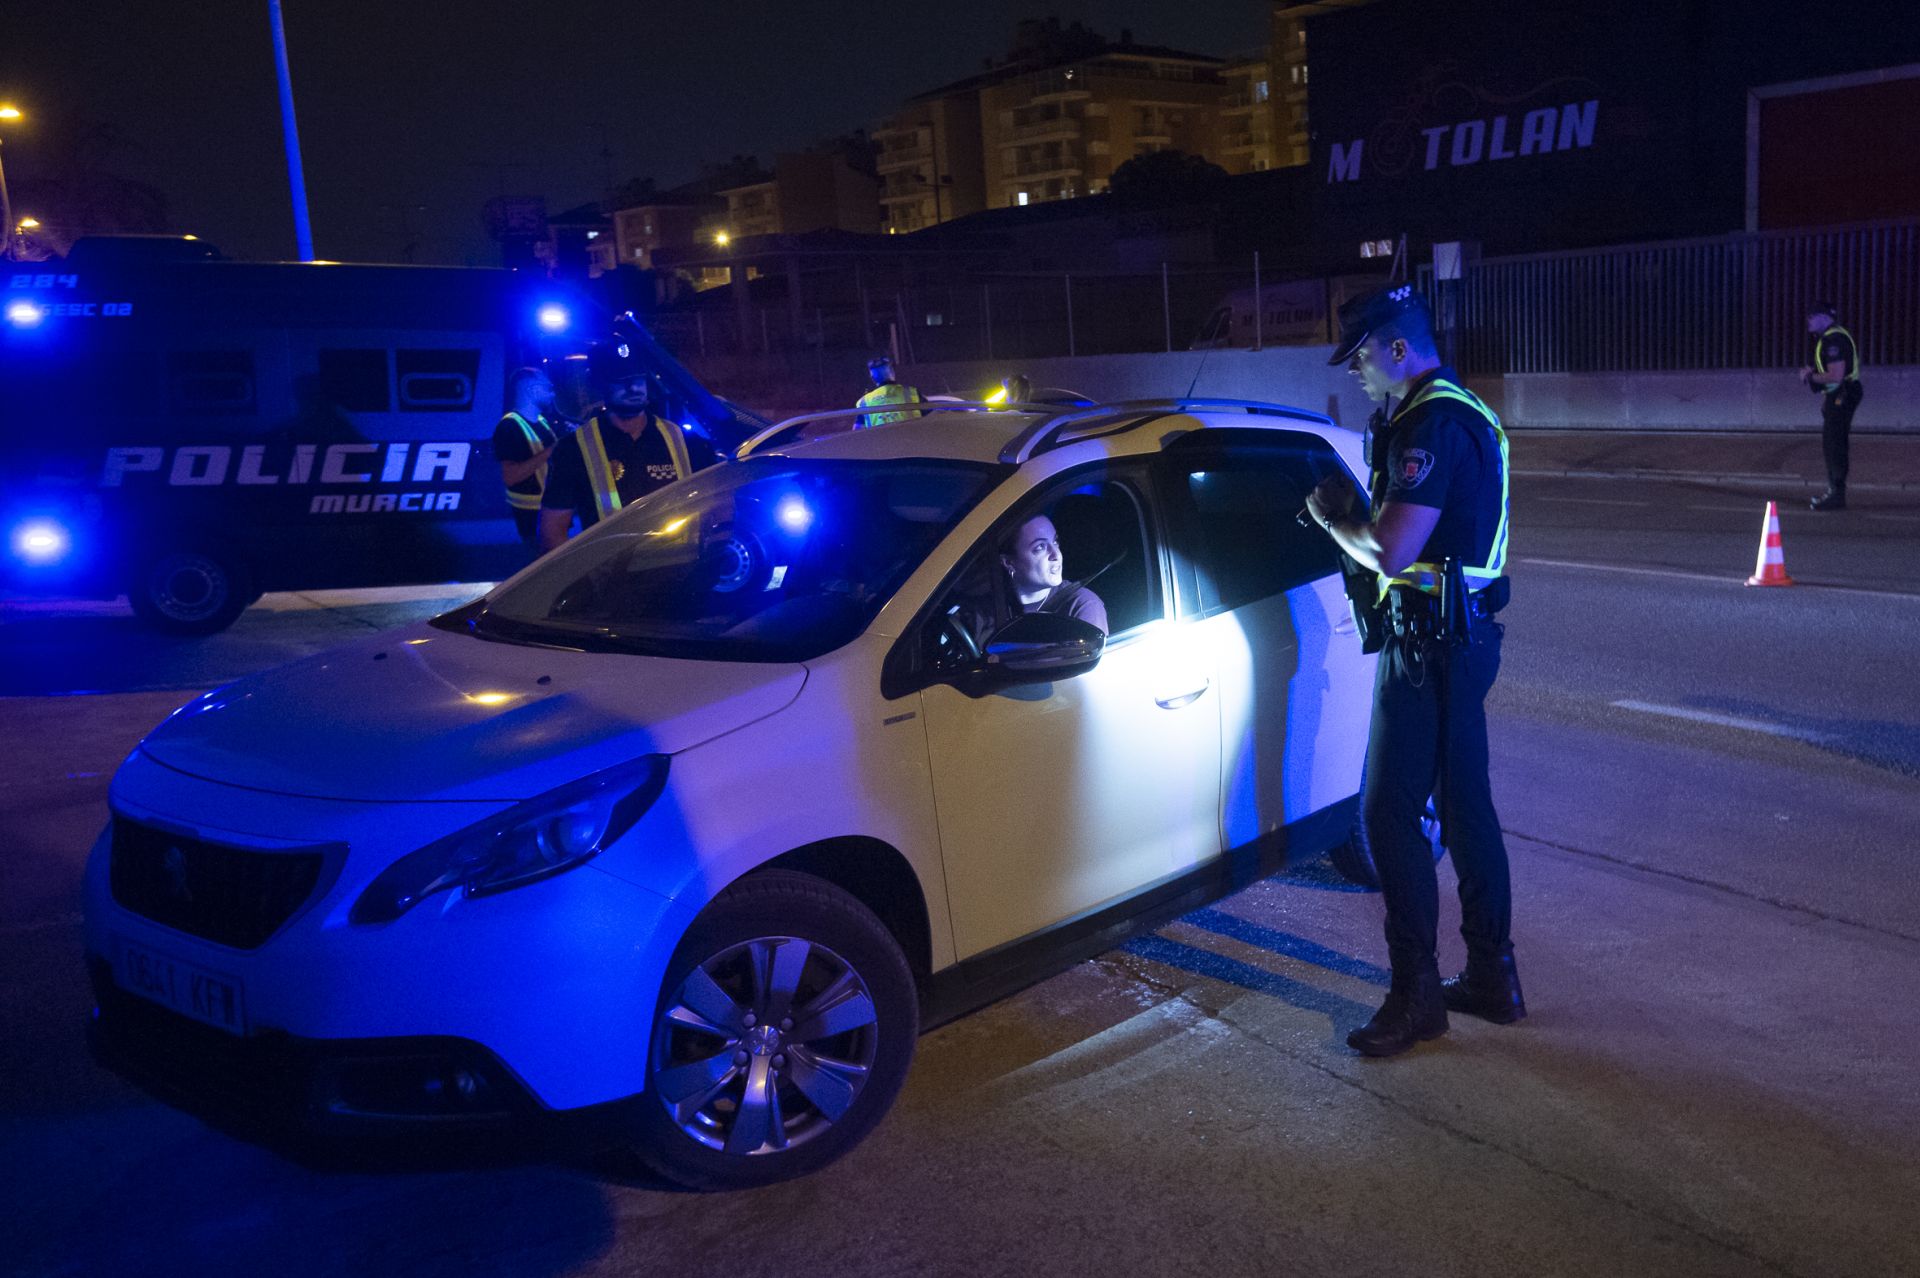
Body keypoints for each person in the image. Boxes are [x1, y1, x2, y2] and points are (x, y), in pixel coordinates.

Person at [1305, 284, 1522, 1058]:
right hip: (1465, 641)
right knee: (1466, 810)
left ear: (1399, 348)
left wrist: (1335, 520)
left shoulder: (1427, 423)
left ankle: (1415, 995)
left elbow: (1392, 550)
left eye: (1362, 354)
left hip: (1431, 646)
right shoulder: (1461, 410)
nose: (1357, 369)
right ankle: (1493, 978)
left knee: (1386, 814)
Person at [537, 336, 719, 554]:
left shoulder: (688, 442)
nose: (633, 387)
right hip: (612, 582)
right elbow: (552, 532)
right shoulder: (573, 450)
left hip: (680, 578)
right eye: (620, 380)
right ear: (599, 384)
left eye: (638, 379)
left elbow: (720, 506)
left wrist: (709, 562)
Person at [1800, 301, 1863, 512]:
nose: (1808, 320)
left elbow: (1835, 375)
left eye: (1812, 316)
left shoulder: (1833, 339)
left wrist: (1810, 375)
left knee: (1834, 444)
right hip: (1839, 394)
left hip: (1843, 395)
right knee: (1833, 442)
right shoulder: (1830, 338)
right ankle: (1835, 492)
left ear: (1825, 318)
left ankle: (1836, 495)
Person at [999, 513, 1107, 634]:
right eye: (1040, 547)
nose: (1056, 554)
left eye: (1055, 541)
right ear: (1009, 562)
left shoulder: (1082, 604)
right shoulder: (989, 609)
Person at [493, 367, 563, 549]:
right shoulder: (509, 426)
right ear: (532, 390)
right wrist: (551, 451)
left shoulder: (542, 421)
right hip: (531, 519)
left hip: (552, 510)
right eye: (548, 388)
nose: (552, 394)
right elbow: (510, 476)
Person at [855, 355, 924, 428]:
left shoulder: (864, 402)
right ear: (892, 372)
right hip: (912, 437)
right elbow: (932, 417)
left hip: (879, 439)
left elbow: (856, 432)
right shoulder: (912, 393)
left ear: (872, 378)